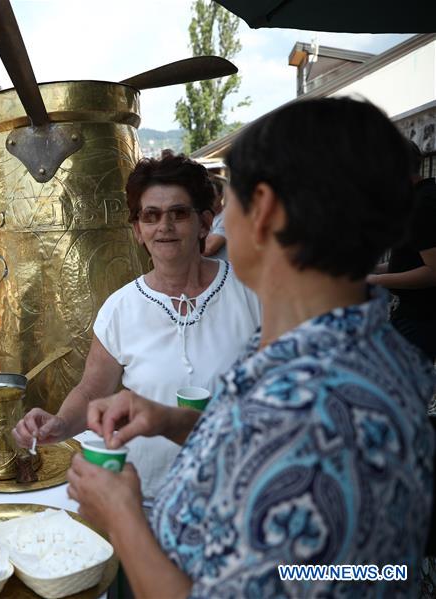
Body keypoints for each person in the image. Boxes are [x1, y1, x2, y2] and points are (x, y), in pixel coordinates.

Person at [67, 98, 434, 598]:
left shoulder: (309, 406)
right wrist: (169, 419)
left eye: (225, 202)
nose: (218, 221)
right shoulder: (346, 349)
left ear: (261, 211)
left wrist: (120, 514)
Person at [15, 154, 261, 501]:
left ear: (204, 223)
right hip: (148, 498)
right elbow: (91, 392)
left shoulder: (250, 293)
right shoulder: (121, 308)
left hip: (238, 492)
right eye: (151, 216)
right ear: (137, 231)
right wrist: (60, 423)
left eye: (178, 213)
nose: (164, 226)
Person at [368, 141, 436, 360]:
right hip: (415, 316)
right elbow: (416, 260)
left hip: (423, 319)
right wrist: (373, 269)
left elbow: (433, 272)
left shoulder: (423, 205)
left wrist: (375, 281)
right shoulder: (423, 197)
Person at [202, 175, 228, 261]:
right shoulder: (201, 217)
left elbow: (208, 248)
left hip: (224, 272)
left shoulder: (227, 217)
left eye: (212, 195)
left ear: (221, 196)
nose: (209, 199)